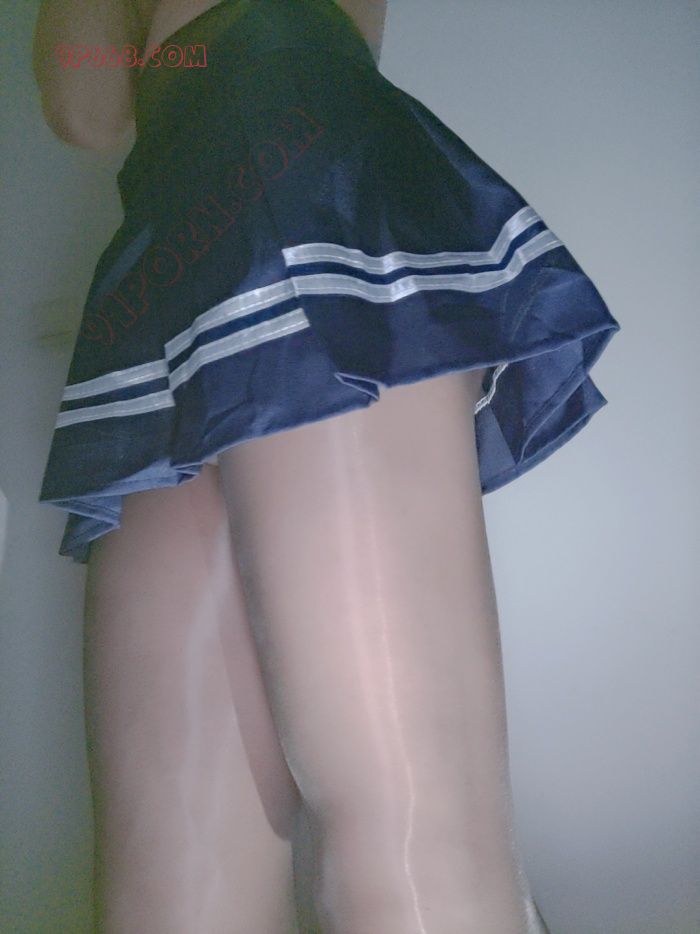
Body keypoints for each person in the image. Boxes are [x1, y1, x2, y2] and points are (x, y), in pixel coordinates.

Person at [33, 1, 619, 930]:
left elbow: (94, 101)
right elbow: (95, 108)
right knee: (176, 899)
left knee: (412, 845)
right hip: (191, 241)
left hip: (289, 186)